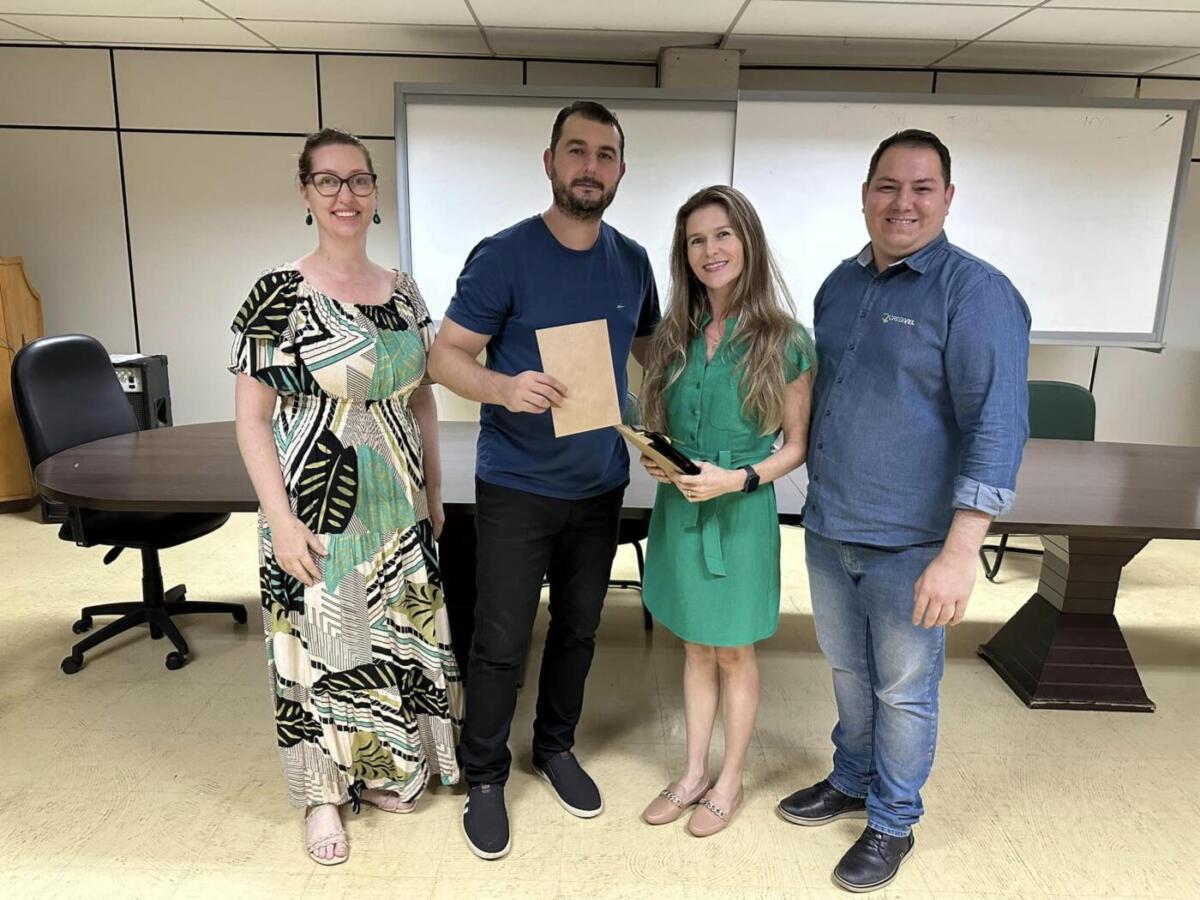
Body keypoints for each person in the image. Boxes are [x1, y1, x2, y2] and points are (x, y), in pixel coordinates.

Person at [777, 129, 1030, 892]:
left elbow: (997, 426)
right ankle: (851, 778)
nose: (903, 203)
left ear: (947, 199)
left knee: (903, 690)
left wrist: (961, 553)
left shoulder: (974, 292)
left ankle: (892, 821)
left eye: (922, 188)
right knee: (849, 671)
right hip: (830, 526)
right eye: (888, 186)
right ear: (865, 195)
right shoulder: (839, 286)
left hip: (915, 543)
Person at [427, 100, 660, 860]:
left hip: (599, 485)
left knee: (579, 630)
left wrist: (672, 412)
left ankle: (554, 747)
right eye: (577, 151)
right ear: (550, 162)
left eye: (605, 155)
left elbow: (651, 353)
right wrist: (503, 387)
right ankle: (485, 773)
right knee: (500, 640)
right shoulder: (504, 256)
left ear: (620, 170)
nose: (591, 167)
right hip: (518, 485)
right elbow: (445, 356)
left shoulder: (633, 261)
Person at [231, 128, 461, 867]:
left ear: (374, 192)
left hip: (398, 503)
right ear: (305, 193)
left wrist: (433, 490)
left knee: (390, 640)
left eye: (359, 180)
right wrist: (279, 521)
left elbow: (422, 399)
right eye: (327, 181)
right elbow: (252, 419)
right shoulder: (277, 293)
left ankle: (389, 766)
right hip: (317, 506)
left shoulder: (405, 290)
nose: (345, 195)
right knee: (322, 651)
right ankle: (322, 796)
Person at [636, 186, 813, 836]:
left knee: (733, 651)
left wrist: (736, 479)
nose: (710, 250)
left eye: (722, 235)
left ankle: (730, 780)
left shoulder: (786, 340)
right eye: (696, 240)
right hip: (681, 508)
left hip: (740, 512)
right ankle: (692, 774)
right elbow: (666, 425)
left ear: (748, 242)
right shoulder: (673, 336)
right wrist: (659, 458)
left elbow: (796, 446)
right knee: (693, 647)